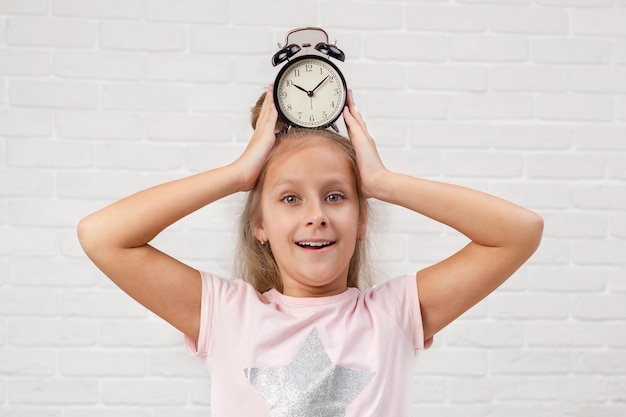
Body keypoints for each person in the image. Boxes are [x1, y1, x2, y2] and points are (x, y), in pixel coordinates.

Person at [77, 85, 543, 416]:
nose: (316, 214)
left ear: (362, 219)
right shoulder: (225, 315)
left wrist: (383, 182)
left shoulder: (395, 313)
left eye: (336, 196)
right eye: (289, 198)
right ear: (260, 224)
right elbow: (102, 235)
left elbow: (520, 231)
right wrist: (240, 174)